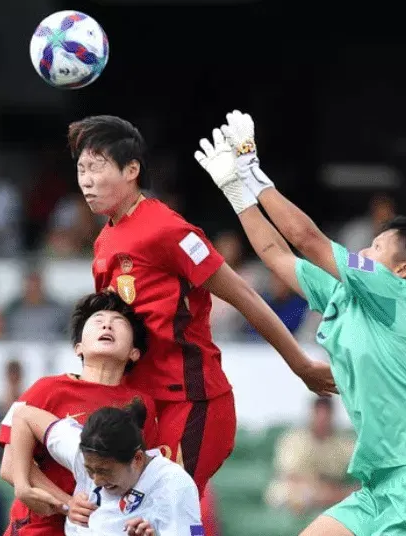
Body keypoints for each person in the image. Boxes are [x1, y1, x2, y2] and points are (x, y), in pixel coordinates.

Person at [194, 110, 406, 535]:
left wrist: (251, 167)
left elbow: (307, 240)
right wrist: (235, 190)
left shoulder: (395, 296)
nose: (366, 248)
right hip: (376, 488)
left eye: (377, 246)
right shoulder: (343, 295)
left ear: (404, 271)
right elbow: (276, 254)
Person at [66, 115, 335, 497]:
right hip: (142, 407)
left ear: (131, 170)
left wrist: (300, 364)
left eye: (97, 167)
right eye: (81, 170)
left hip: (193, 403)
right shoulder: (103, 244)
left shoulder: (167, 229)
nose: (87, 181)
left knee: (163, 507)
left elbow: (243, 295)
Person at [0, 292, 160, 535]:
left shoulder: (141, 405)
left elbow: (141, 476)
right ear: (78, 347)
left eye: (119, 322)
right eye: (97, 320)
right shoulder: (46, 389)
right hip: (37, 528)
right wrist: (66, 503)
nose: (106, 324)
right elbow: (9, 466)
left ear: (134, 352)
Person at [9, 400, 202, 536]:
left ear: (137, 458)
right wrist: (22, 486)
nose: (96, 480)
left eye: (104, 471)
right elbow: (22, 416)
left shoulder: (174, 486)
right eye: (89, 470)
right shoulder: (88, 451)